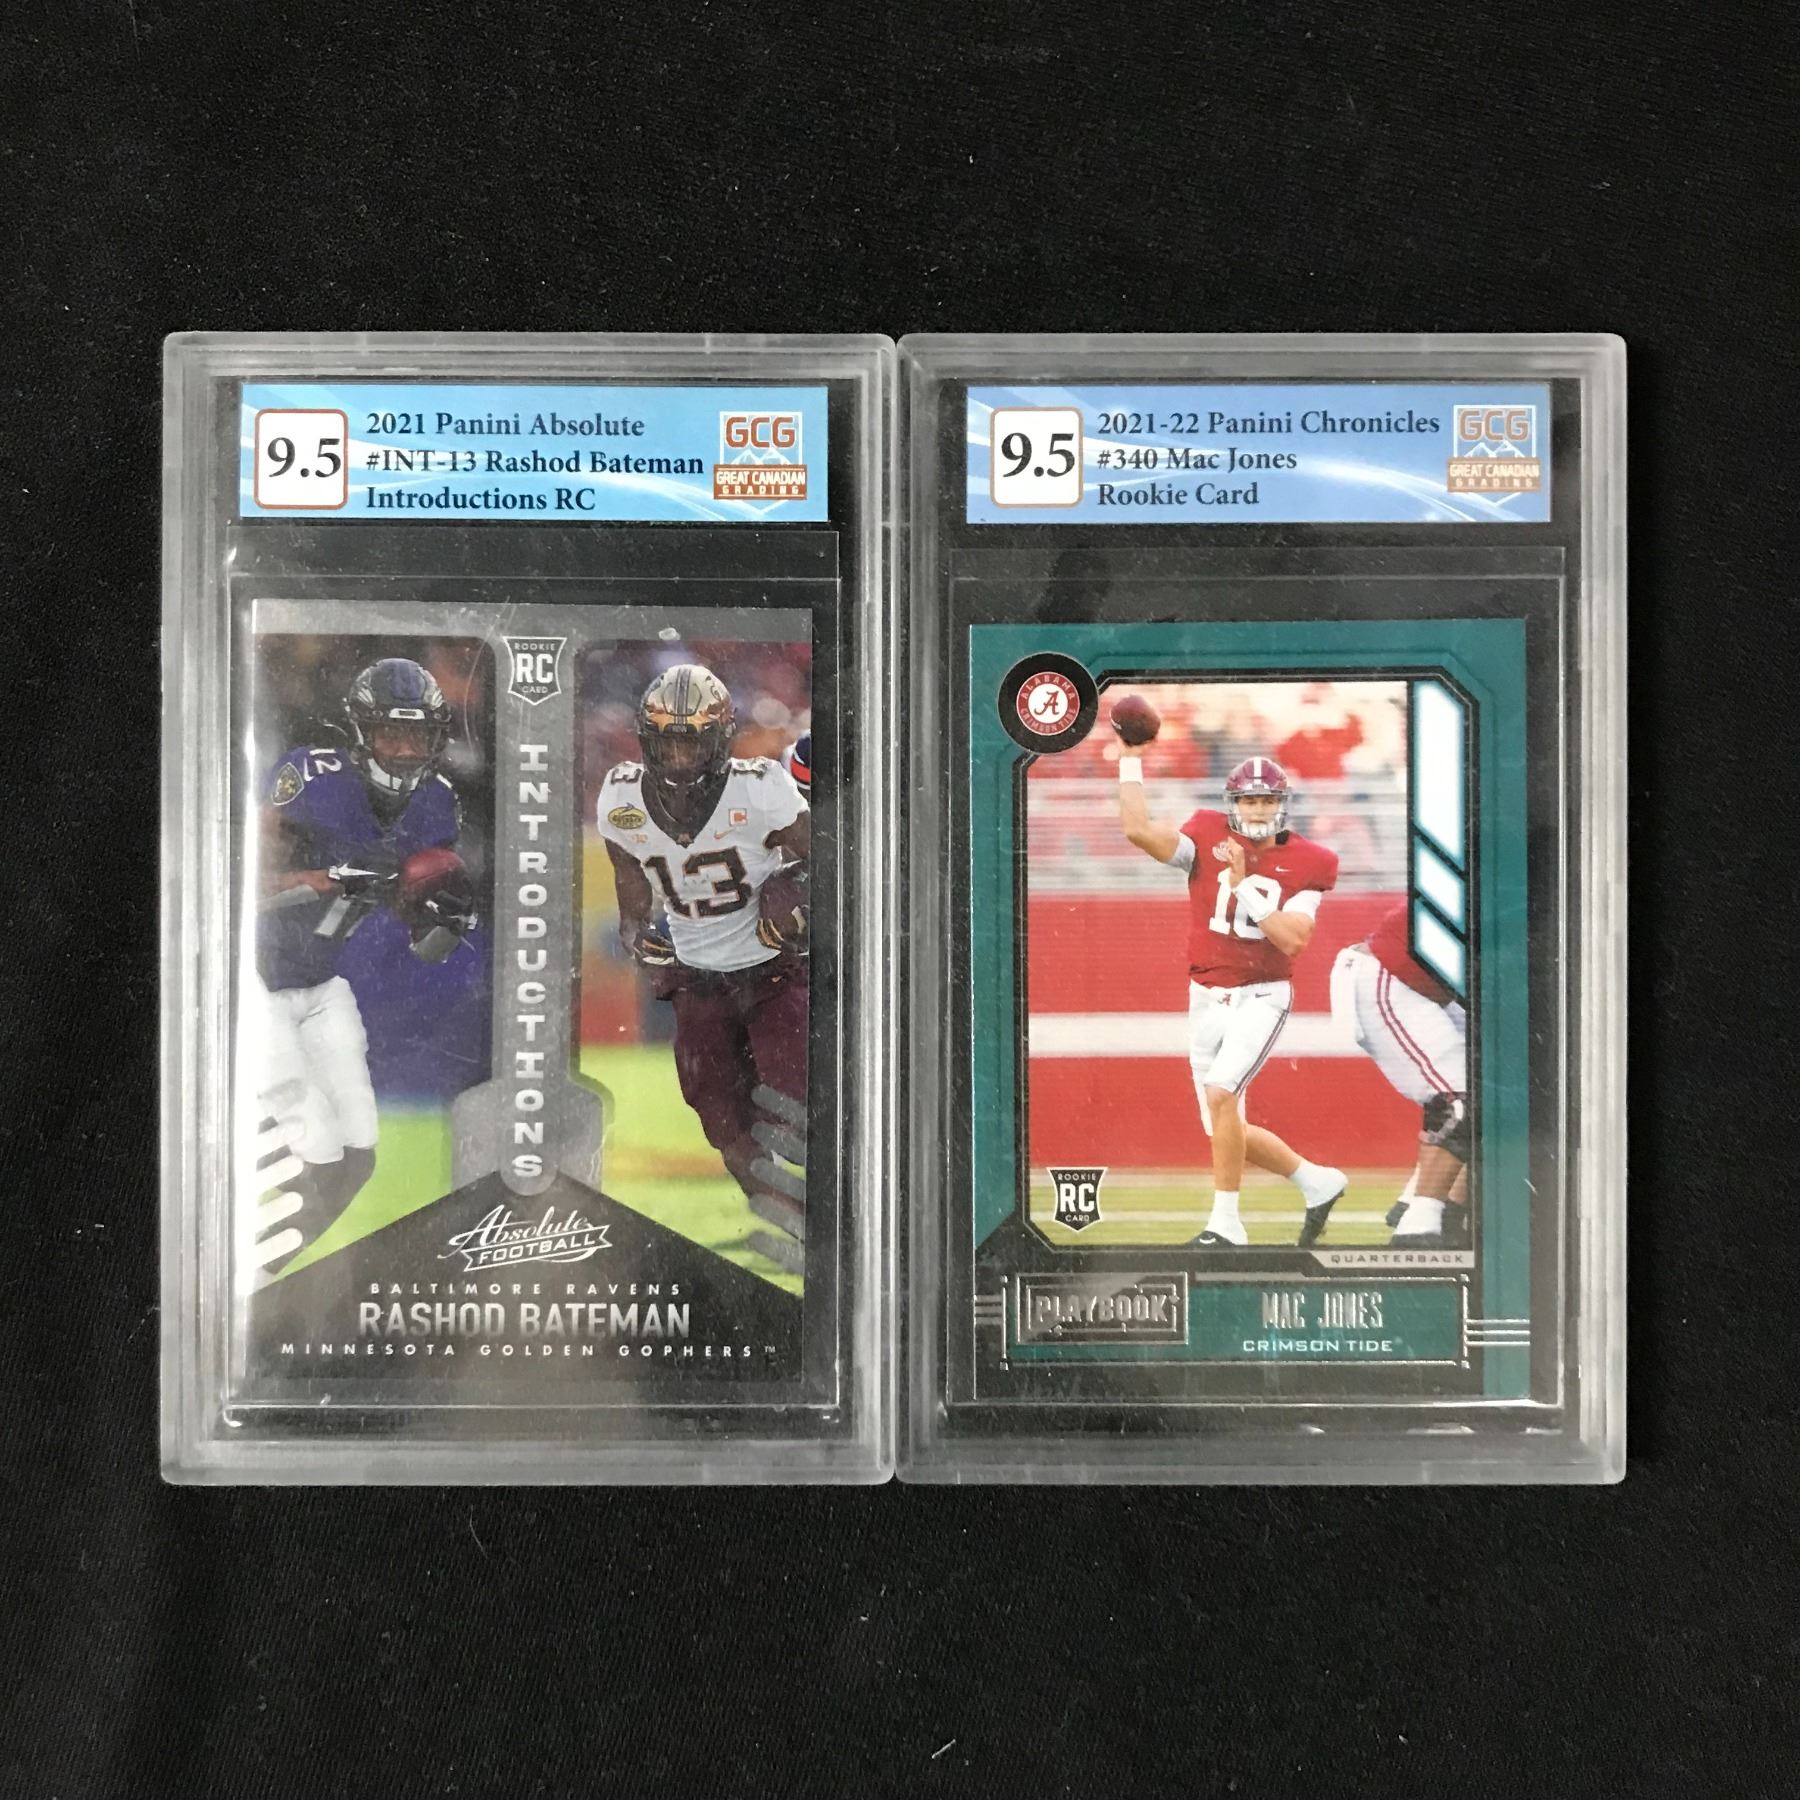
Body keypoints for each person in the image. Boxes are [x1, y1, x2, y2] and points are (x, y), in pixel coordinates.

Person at [252, 657, 476, 1282]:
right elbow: (238, 881)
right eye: (390, 733)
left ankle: (257, 1275)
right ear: (362, 731)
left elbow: (420, 933)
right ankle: (227, 1248)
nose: (404, 750)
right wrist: (322, 877)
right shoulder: (314, 778)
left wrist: (438, 916)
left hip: (322, 985)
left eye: (418, 734)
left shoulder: (437, 802)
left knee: (356, 1161)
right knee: (317, 1152)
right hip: (256, 982)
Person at [597, 664, 811, 1272]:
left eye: (692, 742)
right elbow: (631, 899)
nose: (680, 756)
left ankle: (849, 1215)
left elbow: (830, 858)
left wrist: (794, 894)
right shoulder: (621, 800)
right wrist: (638, 935)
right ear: (647, 741)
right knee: (723, 1124)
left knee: (797, 1105)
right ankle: (802, 1232)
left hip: (772, 973)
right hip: (697, 983)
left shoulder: (760, 787)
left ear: (719, 740)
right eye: (669, 742)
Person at [1115, 747, 1347, 1247]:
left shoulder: (1311, 861)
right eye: (1249, 800)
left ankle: (1225, 1225)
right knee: (1222, 1126)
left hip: (1262, 996)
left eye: (1267, 800)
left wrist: (1243, 887)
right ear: (1233, 804)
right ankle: (1318, 1182)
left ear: (1282, 803)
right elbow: (1138, 830)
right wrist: (1129, 758)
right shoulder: (1205, 835)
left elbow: (1293, 940)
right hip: (1205, 996)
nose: (1258, 810)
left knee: (1221, 1094)